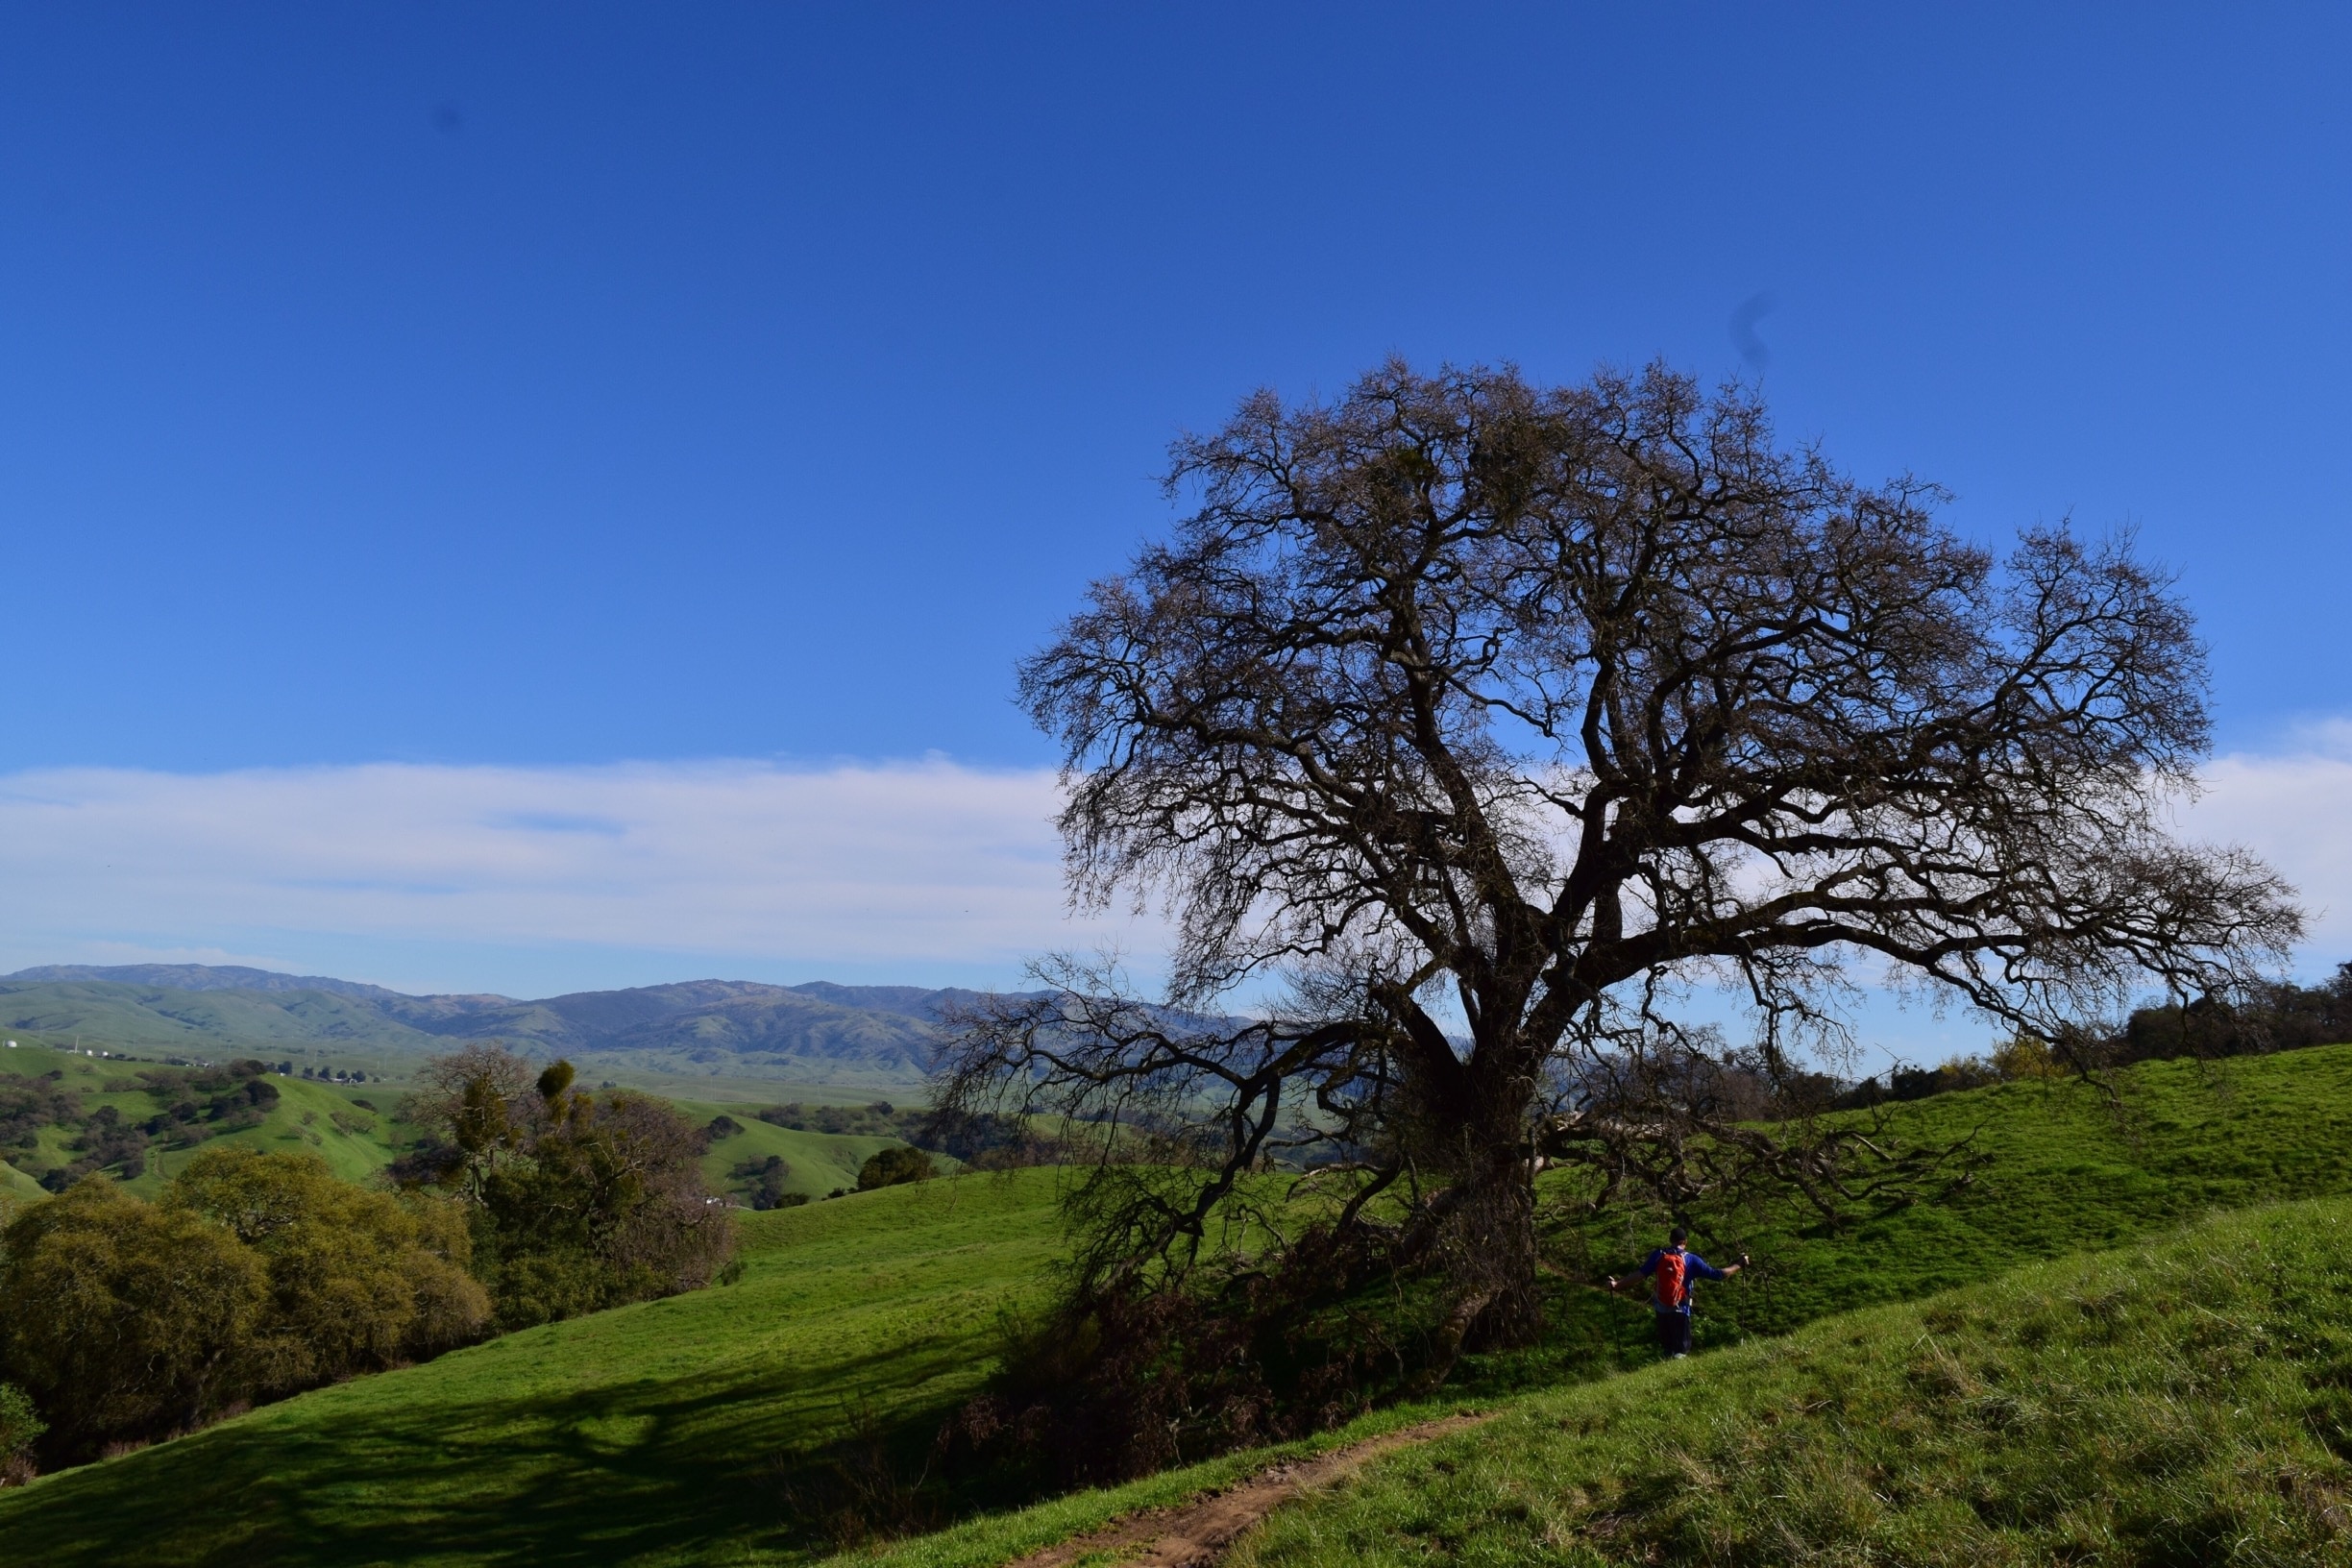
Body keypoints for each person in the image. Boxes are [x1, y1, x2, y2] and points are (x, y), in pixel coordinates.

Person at [1606, 1226, 1748, 1359]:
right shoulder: (1691, 1260)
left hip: (1661, 1309)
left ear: (1670, 1240)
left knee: (1667, 1351)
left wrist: (1617, 1284)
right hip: (1681, 1310)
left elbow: (1639, 1275)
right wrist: (1738, 1265)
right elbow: (1718, 1274)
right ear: (1685, 1241)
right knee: (1681, 1352)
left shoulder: (1658, 1255)